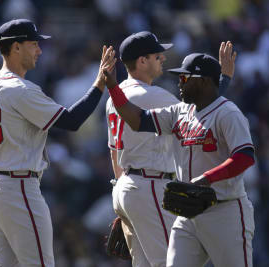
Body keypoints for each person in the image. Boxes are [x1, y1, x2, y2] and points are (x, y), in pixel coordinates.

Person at [0, 19, 115, 267]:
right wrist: (100, 83)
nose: (39, 50)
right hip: (19, 188)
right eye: (33, 43)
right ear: (16, 47)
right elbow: (71, 120)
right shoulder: (21, 89)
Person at [104, 52, 255, 267]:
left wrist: (206, 178)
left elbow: (244, 157)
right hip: (187, 213)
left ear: (203, 81)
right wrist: (113, 87)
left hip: (225, 211)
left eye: (185, 78)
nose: (179, 82)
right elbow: (137, 120)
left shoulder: (228, 113)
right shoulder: (179, 112)